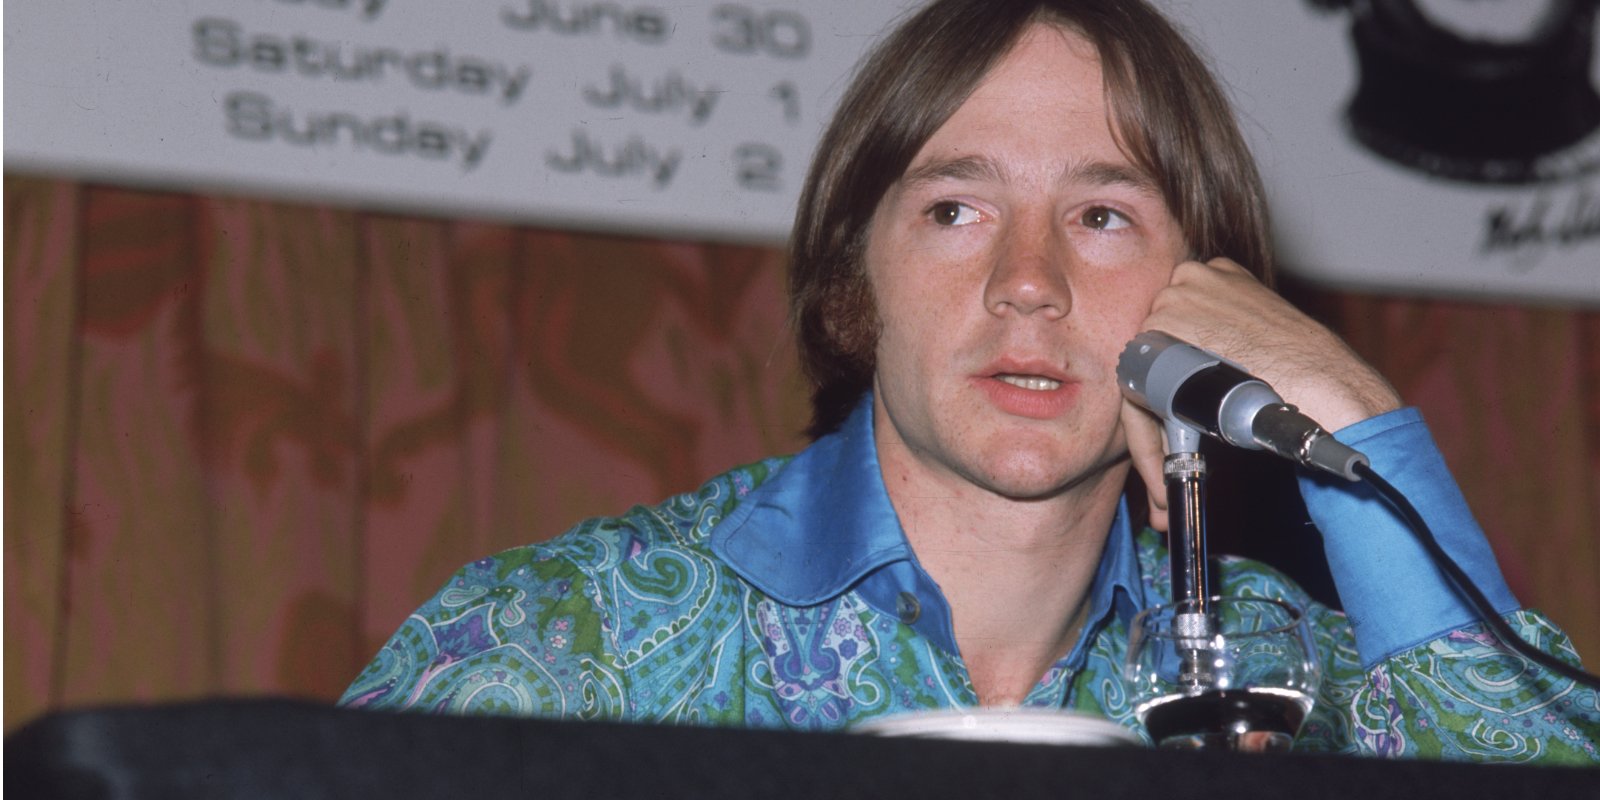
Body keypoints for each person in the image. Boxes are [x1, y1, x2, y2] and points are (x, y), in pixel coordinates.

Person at [340, 0, 1599, 761]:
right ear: (854, 288)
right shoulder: (571, 643)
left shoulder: (1284, 668)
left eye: (1103, 215)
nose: (1029, 282)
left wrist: (1348, 416)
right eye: (955, 207)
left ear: (1209, 305)